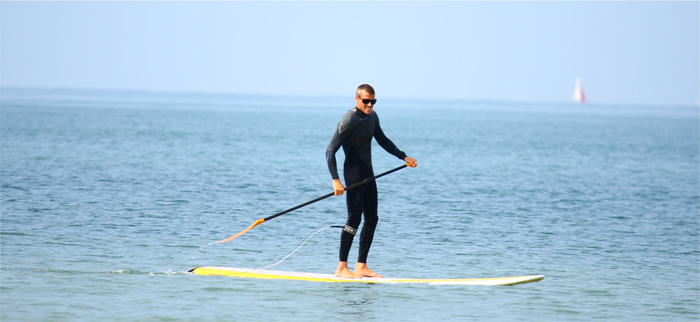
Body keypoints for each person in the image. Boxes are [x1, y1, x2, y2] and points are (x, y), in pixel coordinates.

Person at [326, 84, 417, 278]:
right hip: (354, 174)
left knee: (372, 218)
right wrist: (336, 180)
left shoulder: (372, 117)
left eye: (372, 101)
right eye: (366, 101)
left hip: (369, 174)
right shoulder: (349, 119)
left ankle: (361, 266)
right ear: (357, 99)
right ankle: (341, 267)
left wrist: (403, 157)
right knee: (354, 218)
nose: (369, 105)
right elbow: (330, 150)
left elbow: (382, 139)